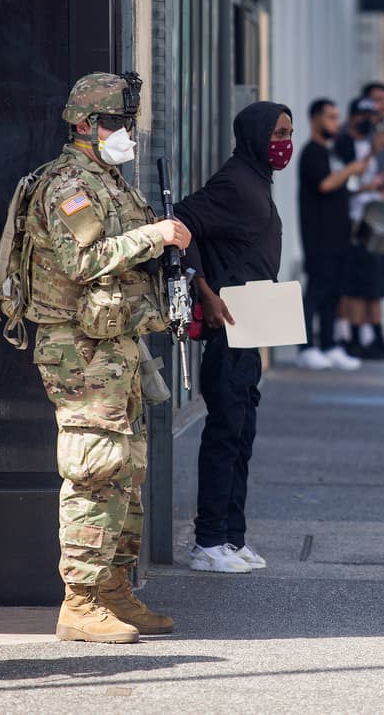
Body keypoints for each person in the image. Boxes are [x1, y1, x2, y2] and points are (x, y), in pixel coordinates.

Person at [23, 72, 190, 643]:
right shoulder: (67, 184)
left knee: (126, 469)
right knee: (94, 467)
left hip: (114, 343)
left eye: (128, 122)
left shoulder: (111, 180)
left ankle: (115, 587)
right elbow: (84, 258)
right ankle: (81, 598)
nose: (126, 132)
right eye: (115, 122)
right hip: (78, 349)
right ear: (84, 125)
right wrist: (158, 236)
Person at [175, 101, 294, 574]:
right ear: (255, 135)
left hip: (254, 327)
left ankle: (233, 536)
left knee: (242, 434)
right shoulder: (235, 182)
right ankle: (207, 542)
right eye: (278, 132)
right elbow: (181, 222)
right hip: (231, 328)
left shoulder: (256, 180)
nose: (284, 141)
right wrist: (205, 291)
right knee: (224, 435)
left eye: (288, 131)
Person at [334, 98, 384, 361]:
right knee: (355, 285)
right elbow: (346, 183)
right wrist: (372, 159)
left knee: (374, 285)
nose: (368, 122)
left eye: (372, 117)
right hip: (353, 223)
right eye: (363, 116)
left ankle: (376, 337)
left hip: (374, 221)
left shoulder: (374, 143)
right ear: (351, 117)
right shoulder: (343, 144)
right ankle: (352, 337)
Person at [297, 98, 366, 371]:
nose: (336, 122)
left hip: (339, 237)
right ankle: (306, 347)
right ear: (315, 119)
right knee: (316, 291)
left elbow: (337, 189)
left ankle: (329, 344)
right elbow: (325, 184)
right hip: (319, 238)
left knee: (334, 293)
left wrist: (364, 185)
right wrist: (351, 170)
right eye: (330, 117)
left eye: (337, 117)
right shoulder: (311, 152)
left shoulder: (331, 152)